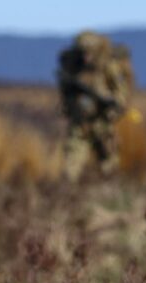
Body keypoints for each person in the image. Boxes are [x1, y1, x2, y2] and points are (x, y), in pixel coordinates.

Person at [56, 31, 130, 180]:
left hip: (102, 122)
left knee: (109, 165)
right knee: (71, 167)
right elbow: (65, 93)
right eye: (83, 53)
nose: (86, 57)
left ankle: (110, 190)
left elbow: (121, 93)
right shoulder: (73, 67)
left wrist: (112, 103)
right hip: (80, 122)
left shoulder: (108, 65)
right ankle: (69, 191)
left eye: (90, 53)